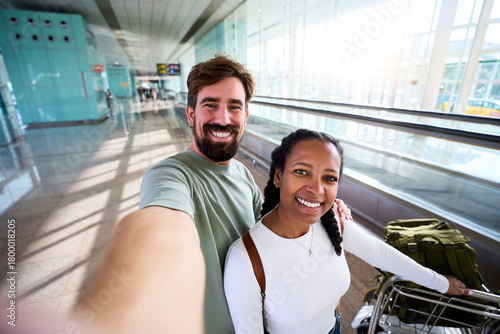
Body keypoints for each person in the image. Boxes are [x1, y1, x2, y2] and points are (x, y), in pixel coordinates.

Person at [73, 54, 351, 334]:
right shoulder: (171, 175)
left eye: (234, 107)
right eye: (210, 105)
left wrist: (319, 204)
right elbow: (163, 227)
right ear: (191, 114)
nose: (223, 118)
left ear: (245, 117)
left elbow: (274, 229)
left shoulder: (242, 174)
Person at [224, 129, 470, 334]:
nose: (316, 189)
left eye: (329, 178)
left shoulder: (332, 222)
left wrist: (439, 283)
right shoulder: (245, 259)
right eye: (301, 171)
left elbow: (380, 253)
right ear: (278, 176)